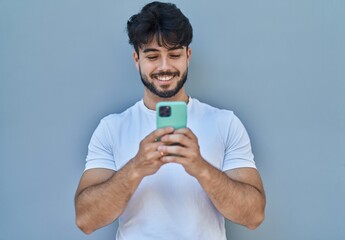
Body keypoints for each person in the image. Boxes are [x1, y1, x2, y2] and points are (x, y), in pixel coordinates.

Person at [75, 2, 266, 239]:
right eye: (152, 56)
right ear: (137, 60)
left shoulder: (225, 123)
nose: (164, 67)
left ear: (188, 56)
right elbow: (86, 220)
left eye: (174, 54)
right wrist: (136, 167)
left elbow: (254, 216)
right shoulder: (111, 128)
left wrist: (200, 168)